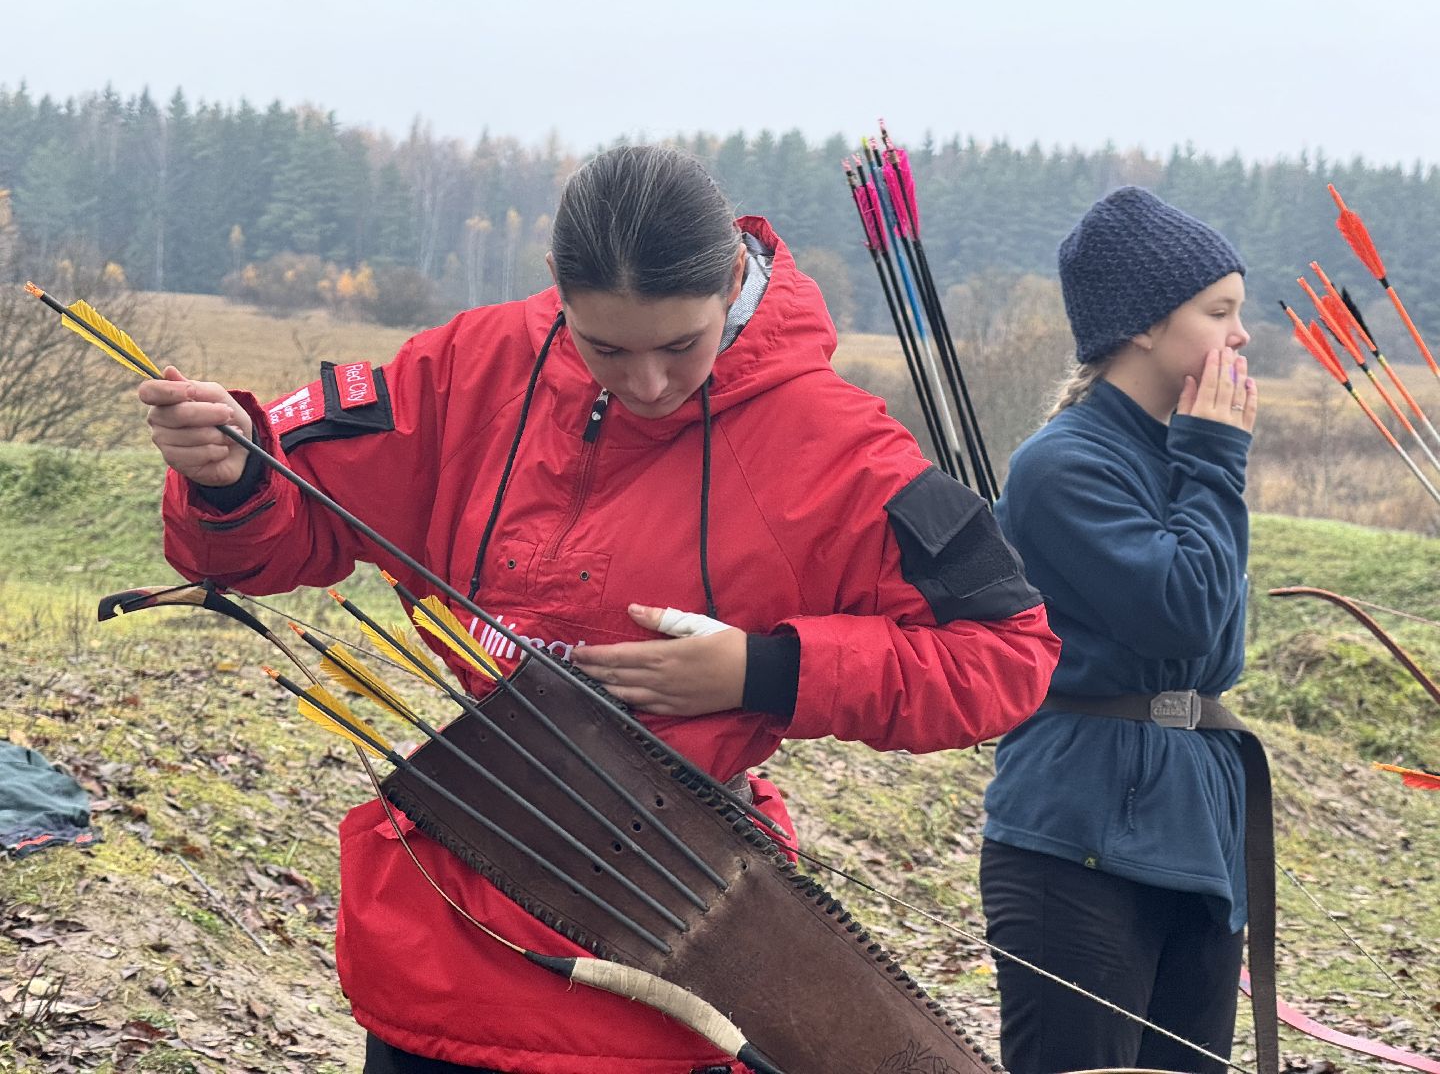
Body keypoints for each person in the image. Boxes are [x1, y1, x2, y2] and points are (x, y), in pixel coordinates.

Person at [139, 145, 1060, 1074]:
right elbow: (284, 531)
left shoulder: (844, 449)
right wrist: (229, 478)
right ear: (557, 288)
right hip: (440, 948)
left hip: (671, 951)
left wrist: (762, 670)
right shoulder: (474, 364)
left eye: (680, 347)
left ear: (733, 280)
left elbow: (1006, 656)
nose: (648, 384)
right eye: (607, 347)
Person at [979, 186, 1257, 1074]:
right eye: (1220, 312)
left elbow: (1219, 655)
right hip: (1080, 837)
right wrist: (1214, 459)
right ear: (1142, 325)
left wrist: (1204, 462)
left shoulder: (1178, 453)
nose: (1241, 337)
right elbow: (1182, 610)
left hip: (1195, 832)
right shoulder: (1064, 465)